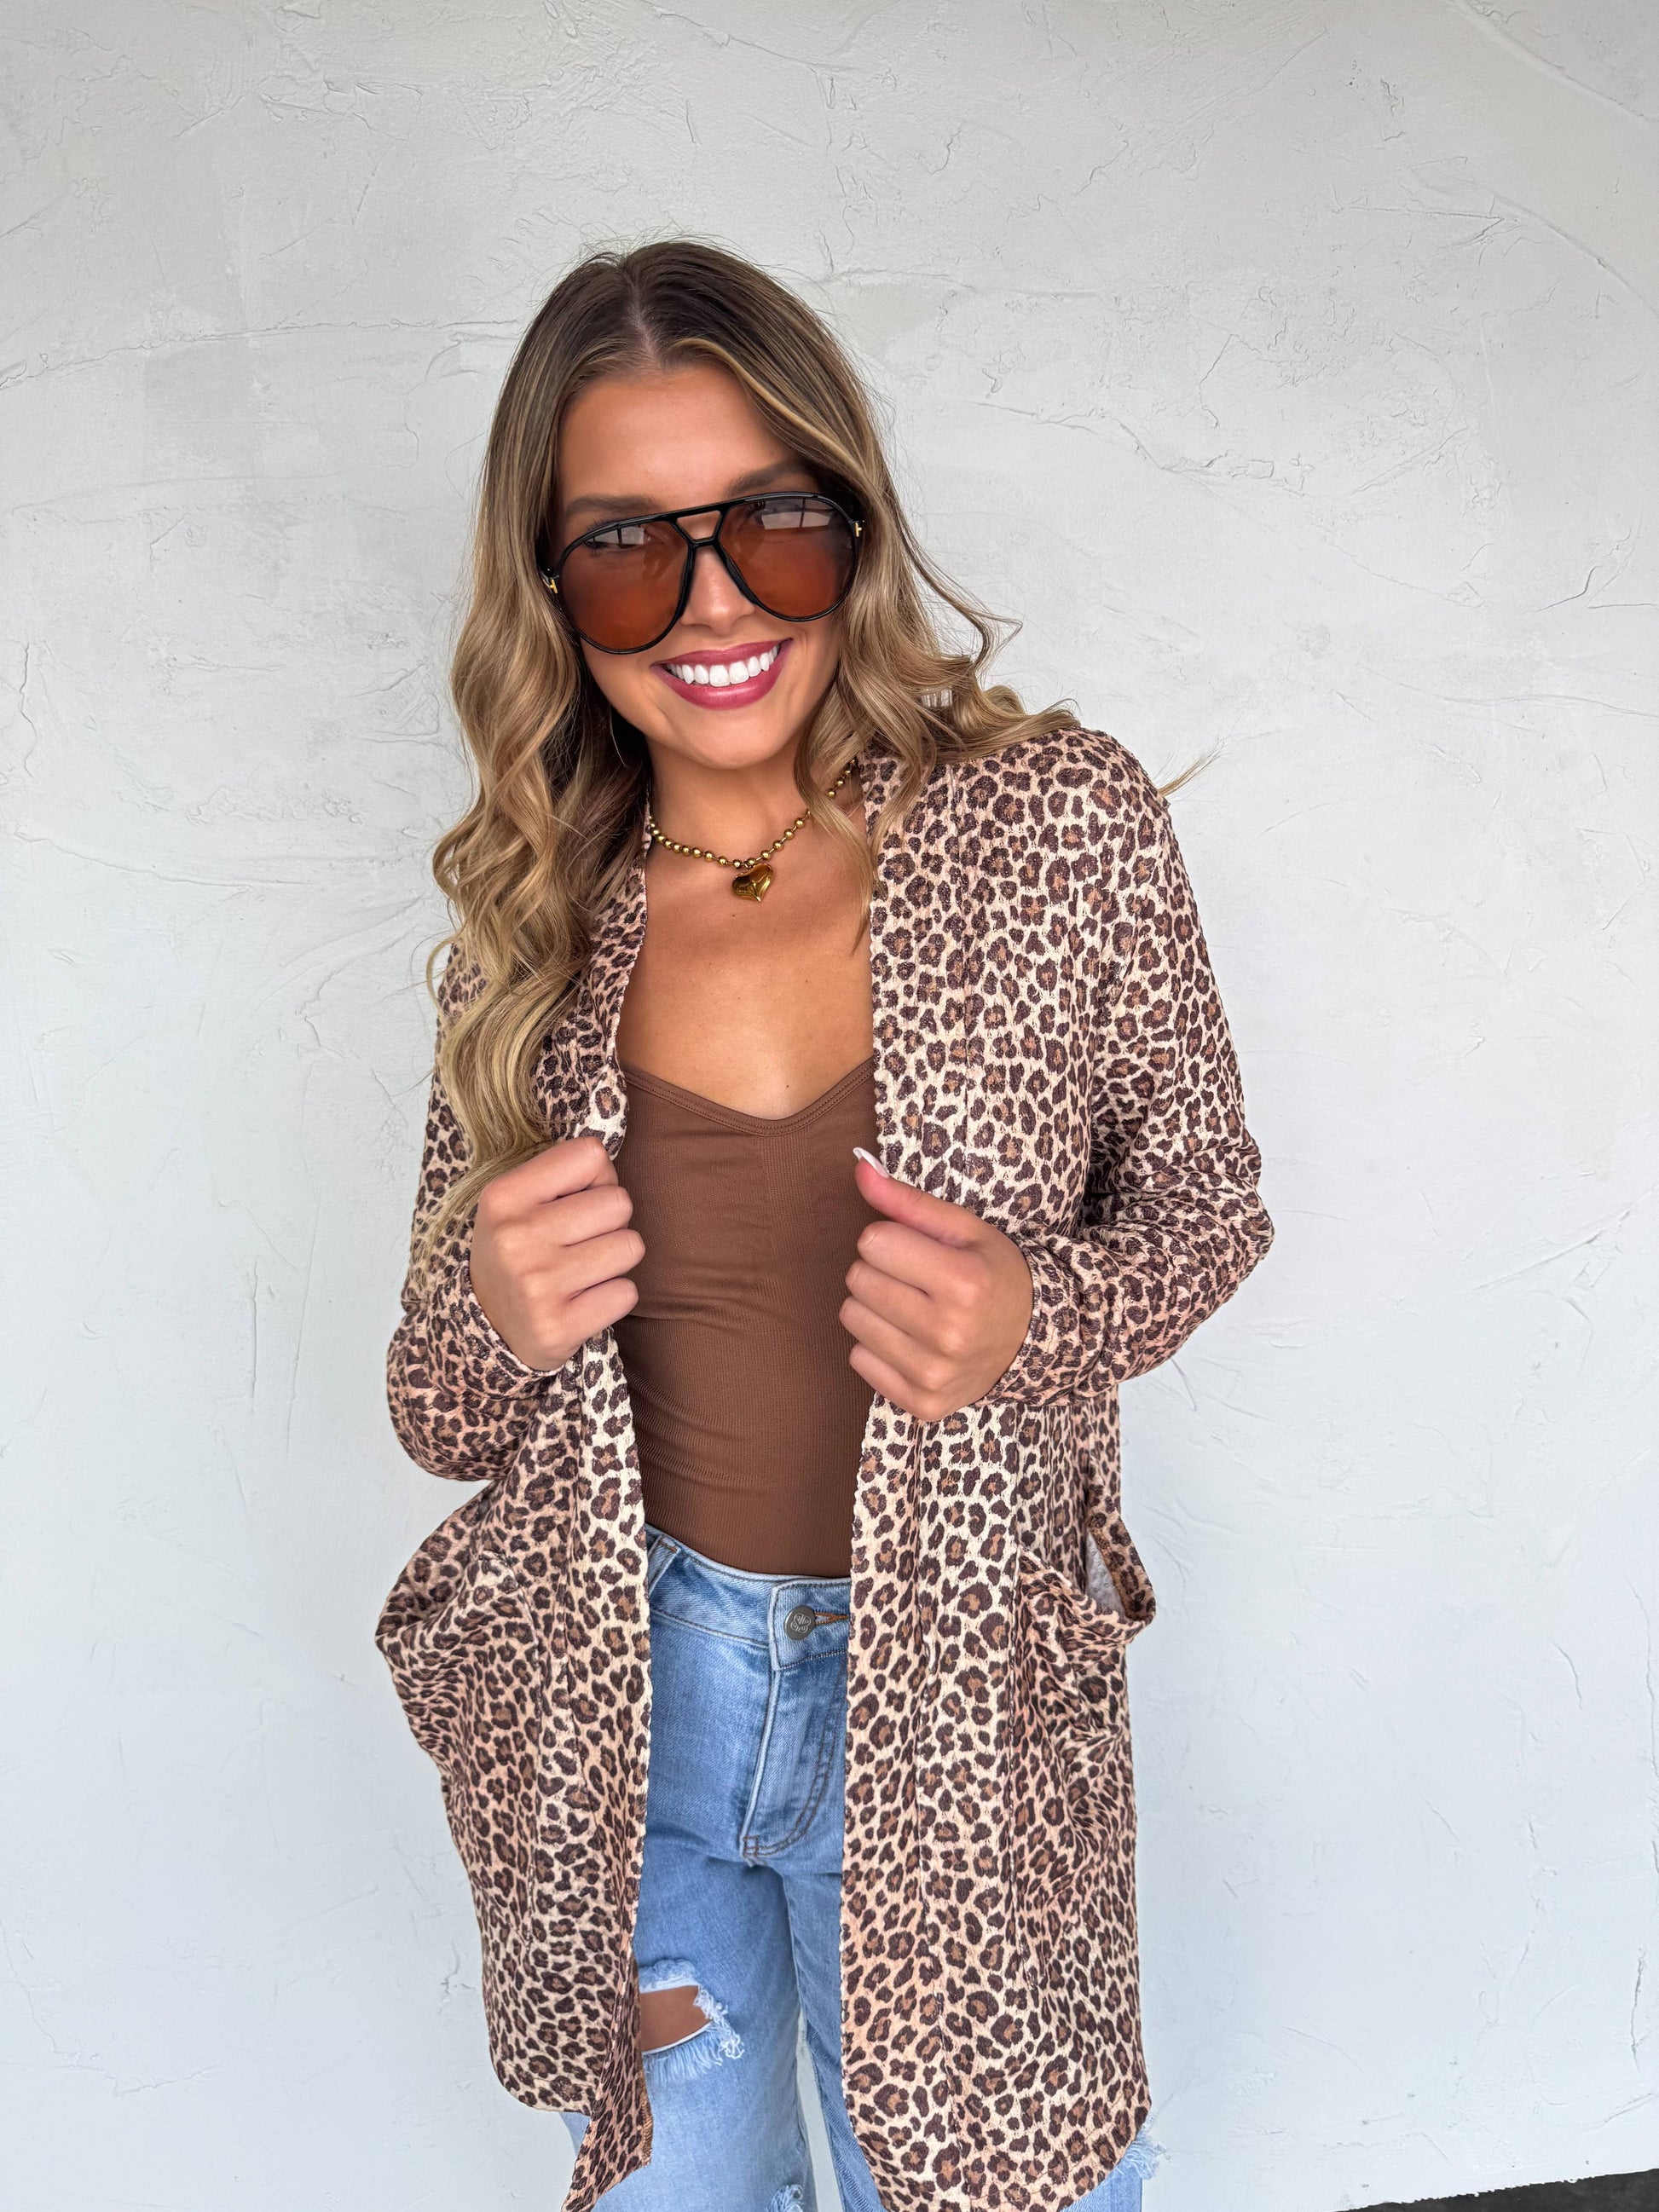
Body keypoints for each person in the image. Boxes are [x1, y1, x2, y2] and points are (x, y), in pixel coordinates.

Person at [374, 239, 1275, 2212]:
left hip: (959, 1710)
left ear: (851, 523)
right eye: (627, 549)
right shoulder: (534, 922)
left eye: (769, 524)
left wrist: (1036, 1312)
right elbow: (437, 1412)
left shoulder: (1057, 824)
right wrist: (492, 1308)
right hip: (630, 1717)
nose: (711, 604)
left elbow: (1212, 1209)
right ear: (550, 590)